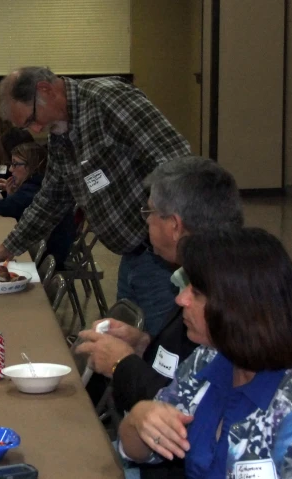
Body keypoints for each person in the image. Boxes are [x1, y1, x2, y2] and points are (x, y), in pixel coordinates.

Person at [0, 67, 192, 336]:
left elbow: (176, 162)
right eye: (26, 126)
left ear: (46, 90)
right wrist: (10, 246)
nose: (35, 129)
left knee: (158, 348)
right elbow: (52, 197)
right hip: (131, 254)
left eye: (32, 119)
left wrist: (167, 227)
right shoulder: (60, 132)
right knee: (129, 342)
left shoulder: (109, 99)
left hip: (163, 256)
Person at [118, 228, 292, 478]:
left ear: (238, 306)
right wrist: (138, 419)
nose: (181, 299)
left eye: (197, 292)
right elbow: (143, 450)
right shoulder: (210, 357)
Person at [74, 157, 243, 478]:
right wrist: (143, 346)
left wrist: (121, 365)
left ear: (175, 224)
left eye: (150, 213)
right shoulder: (194, 278)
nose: (146, 222)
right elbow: (183, 366)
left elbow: (188, 411)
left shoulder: (223, 296)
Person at [0, 141, 76, 264]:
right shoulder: (36, 183)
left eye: (15, 164)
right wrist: (11, 194)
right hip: (51, 249)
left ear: (31, 166)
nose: (11, 169)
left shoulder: (34, 187)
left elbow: (6, 207)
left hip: (48, 255)